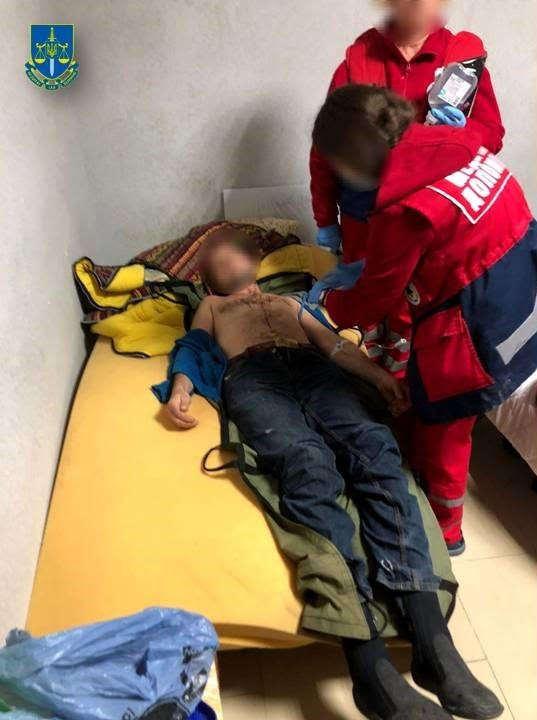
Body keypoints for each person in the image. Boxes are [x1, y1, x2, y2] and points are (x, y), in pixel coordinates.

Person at [163, 234, 503, 720]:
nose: (230, 261)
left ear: (254, 263)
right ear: (208, 280)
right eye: (217, 261)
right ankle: (368, 668)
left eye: (235, 252)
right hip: (253, 378)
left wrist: (377, 376)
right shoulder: (213, 308)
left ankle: (433, 643)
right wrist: (181, 385)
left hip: (315, 371)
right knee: (307, 465)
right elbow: (195, 347)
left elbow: (333, 345)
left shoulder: (290, 302)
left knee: (377, 452)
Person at [309, 84, 537, 555]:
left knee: (446, 418)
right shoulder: (461, 145)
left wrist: (331, 300)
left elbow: (373, 301)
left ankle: (445, 532)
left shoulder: (403, 211)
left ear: (351, 161)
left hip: (479, 315)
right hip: (526, 282)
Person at [310, 0, 505, 380]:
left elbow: (492, 134)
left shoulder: (462, 57)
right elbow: (326, 148)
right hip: (363, 215)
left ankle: (416, 393)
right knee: (369, 318)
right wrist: (325, 218)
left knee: (426, 317)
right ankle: (377, 391)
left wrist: (459, 133)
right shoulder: (356, 61)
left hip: (431, 216)